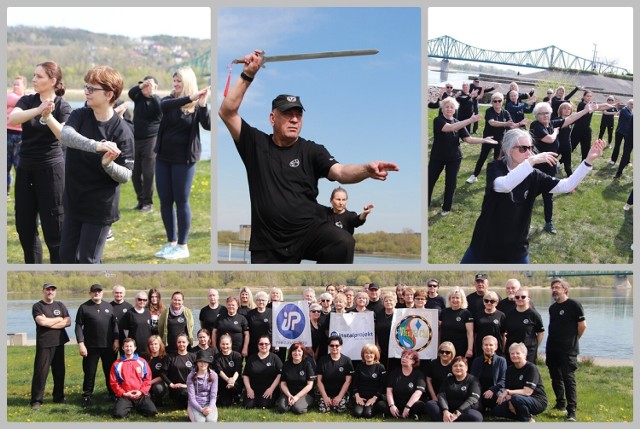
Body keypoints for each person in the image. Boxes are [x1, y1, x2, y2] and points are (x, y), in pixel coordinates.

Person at [218, 49, 399, 264]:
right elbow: (227, 112)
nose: (294, 119)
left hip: (308, 232)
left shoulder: (312, 150)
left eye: (298, 114)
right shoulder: (255, 144)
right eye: (287, 114)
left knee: (343, 242)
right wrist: (248, 75)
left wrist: (366, 170)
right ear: (272, 118)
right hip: (268, 243)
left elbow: (340, 172)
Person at [461, 128, 607, 263]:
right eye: (523, 148)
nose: (529, 152)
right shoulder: (496, 167)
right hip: (485, 243)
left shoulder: (534, 175)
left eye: (530, 148)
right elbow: (503, 186)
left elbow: (567, 185)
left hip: (516, 247)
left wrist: (588, 161)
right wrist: (531, 161)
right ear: (507, 150)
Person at [57, 66, 134, 263]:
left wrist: (108, 165)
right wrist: (97, 146)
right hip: (74, 201)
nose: (86, 92)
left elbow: (125, 174)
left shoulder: (122, 131)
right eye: (86, 87)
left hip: (100, 207)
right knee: (65, 257)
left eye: (92, 89)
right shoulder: (80, 115)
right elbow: (66, 136)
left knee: (88, 259)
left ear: (109, 94)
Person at [8, 61, 71, 263]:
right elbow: (13, 119)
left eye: (39, 76)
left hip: (51, 170)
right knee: (25, 227)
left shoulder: (64, 106)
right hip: (26, 168)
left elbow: (63, 136)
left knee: (54, 230)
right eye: (33, 75)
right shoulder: (27, 100)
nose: (34, 80)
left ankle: (58, 268)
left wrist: (48, 115)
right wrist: (38, 110)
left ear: (53, 81)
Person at [153, 66, 211, 260]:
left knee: (181, 200)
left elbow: (208, 125)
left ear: (187, 83)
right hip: (163, 158)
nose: (176, 84)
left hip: (184, 161)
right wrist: (191, 98)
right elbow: (165, 107)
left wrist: (202, 104)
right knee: (165, 201)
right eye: (174, 81)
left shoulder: (195, 107)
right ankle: (171, 243)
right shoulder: (168, 101)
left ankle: (182, 246)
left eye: (179, 81)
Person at [530, 101, 598, 235]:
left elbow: (569, 119)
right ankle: (514, 214)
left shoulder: (551, 123)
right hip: (537, 169)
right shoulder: (535, 125)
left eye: (547, 113)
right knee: (530, 195)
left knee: (548, 196)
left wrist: (585, 111)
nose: (545, 116)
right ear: (536, 115)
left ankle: (548, 223)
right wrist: (555, 132)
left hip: (550, 167)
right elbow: (549, 139)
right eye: (542, 113)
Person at [428, 96, 498, 215]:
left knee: (451, 183)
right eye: (446, 107)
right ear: (442, 109)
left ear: (455, 109)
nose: (449, 109)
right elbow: (450, 128)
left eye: (451, 107)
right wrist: (470, 120)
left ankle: (446, 208)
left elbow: (468, 139)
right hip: (437, 157)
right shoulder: (438, 120)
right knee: (429, 181)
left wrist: (484, 140)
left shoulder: (457, 122)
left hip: (454, 158)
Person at [545, 278, 587, 422]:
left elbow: (582, 326)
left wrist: (574, 340)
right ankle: (560, 404)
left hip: (568, 350)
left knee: (568, 379)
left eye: (557, 287)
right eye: (553, 287)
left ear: (565, 289)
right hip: (552, 348)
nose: (554, 290)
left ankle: (571, 411)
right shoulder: (553, 308)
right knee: (555, 377)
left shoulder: (574, 305)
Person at [74, 284, 119, 407]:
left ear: (102, 293)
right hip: (91, 347)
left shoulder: (108, 306)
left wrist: (116, 340)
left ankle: (112, 393)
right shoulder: (84, 307)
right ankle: (87, 396)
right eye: (94, 292)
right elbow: (78, 326)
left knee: (110, 371)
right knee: (90, 372)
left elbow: (114, 325)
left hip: (108, 346)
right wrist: (81, 343)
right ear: (90, 293)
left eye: (99, 291)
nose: (96, 294)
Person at [30, 283, 71, 410]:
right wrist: (59, 319)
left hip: (59, 342)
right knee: (41, 373)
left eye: (53, 290)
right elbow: (41, 322)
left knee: (59, 372)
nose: (50, 292)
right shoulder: (38, 306)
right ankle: (36, 400)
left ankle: (58, 397)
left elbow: (68, 322)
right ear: (43, 291)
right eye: (48, 289)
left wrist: (49, 322)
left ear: (55, 292)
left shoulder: (60, 305)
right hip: (44, 344)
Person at [128, 75, 162, 212]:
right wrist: (142, 86)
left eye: (150, 85)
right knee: (135, 172)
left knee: (148, 172)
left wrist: (152, 94)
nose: (146, 87)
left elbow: (160, 110)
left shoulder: (157, 101)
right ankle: (140, 200)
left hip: (151, 140)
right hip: (135, 139)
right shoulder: (138, 98)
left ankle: (148, 203)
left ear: (155, 88)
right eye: (144, 85)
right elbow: (131, 92)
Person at [467, 92, 514, 184]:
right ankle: (474, 175)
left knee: (497, 159)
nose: (497, 103)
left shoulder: (505, 112)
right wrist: (505, 123)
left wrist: (520, 124)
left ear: (502, 102)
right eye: (495, 101)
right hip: (488, 138)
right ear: (492, 102)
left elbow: (511, 125)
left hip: (500, 139)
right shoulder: (489, 111)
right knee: (482, 157)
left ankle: (496, 178)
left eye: (499, 101)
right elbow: (492, 122)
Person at [493, 343, 548, 422]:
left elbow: (527, 392)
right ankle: (522, 415)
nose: (514, 355)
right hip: (516, 399)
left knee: (516, 398)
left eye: (518, 353)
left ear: (524, 354)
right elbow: (508, 390)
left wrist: (509, 392)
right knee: (497, 410)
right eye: (512, 353)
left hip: (537, 400)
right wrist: (510, 404)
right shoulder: (509, 370)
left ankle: (528, 420)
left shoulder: (531, 368)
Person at [109, 338, 157, 418]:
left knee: (152, 412)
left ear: (135, 348)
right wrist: (123, 393)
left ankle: (138, 405)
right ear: (123, 348)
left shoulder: (142, 362)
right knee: (118, 414)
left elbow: (147, 379)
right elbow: (114, 382)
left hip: (140, 395)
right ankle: (126, 405)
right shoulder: (117, 364)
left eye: (131, 346)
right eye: (126, 346)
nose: (129, 348)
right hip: (126, 395)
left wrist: (142, 391)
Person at [424, 356, 483, 422]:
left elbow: (472, 399)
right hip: (449, 408)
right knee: (430, 404)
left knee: (476, 417)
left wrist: (457, 413)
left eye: (461, 366)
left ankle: (447, 420)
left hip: (464, 410)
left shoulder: (473, 380)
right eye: (455, 366)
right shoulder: (448, 379)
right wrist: (445, 410)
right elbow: (441, 395)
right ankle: (448, 418)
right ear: (452, 368)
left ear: (466, 368)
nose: (458, 368)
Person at [503, 287, 544, 364]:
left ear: (528, 299)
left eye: (523, 297)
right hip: (512, 351)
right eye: (517, 297)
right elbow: (504, 333)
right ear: (514, 299)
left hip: (528, 351)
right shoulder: (509, 315)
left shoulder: (534, 315)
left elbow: (540, 333)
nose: (520, 299)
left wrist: (534, 347)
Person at [242, 335, 283, 409]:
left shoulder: (275, 358)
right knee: (248, 406)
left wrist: (271, 389)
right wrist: (248, 389)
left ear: (270, 345)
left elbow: (280, 374)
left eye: (266, 344)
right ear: (258, 345)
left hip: (268, 390)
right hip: (253, 390)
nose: (264, 345)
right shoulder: (252, 358)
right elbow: (245, 375)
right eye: (261, 344)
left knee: (264, 405)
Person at [315, 335, 354, 413]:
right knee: (323, 410)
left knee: (340, 409)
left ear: (341, 346)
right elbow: (319, 381)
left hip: (341, 393)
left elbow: (348, 381)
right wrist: (325, 397)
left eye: (337, 345)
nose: (334, 347)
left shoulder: (347, 361)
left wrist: (339, 397)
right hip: (326, 392)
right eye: (332, 345)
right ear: (329, 346)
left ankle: (341, 401)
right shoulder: (323, 360)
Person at [385, 349, 426, 420]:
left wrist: (408, 407)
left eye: (407, 357)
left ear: (413, 361)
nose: (403, 358)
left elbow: (418, 392)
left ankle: (405, 413)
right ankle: (396, 412)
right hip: (397, 402)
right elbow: (389, 391)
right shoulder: (394, 372)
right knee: (381, 405)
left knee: (420, 405)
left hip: (411, 403)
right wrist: (392, 405)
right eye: (403, 357)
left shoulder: (419, 374)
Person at [571, 90, 611, 161]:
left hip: (586, 130)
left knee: (586, 150)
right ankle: (560, 162)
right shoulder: (582, 105)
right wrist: (606, 105)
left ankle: (583, 166)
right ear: (583, 97)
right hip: (578, 129)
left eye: (590, 96)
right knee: (571, 147)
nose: (589, 98)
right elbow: (597, 107)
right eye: (587, 96)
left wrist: (612, 106)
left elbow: (600, 107)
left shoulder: (590, 104)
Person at [277, 342, 316, 414]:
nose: (296, 353)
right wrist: (289, 395)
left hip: (304, 394)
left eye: (299, 351)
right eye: (294, 350)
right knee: (282, 408)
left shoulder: (307, 364)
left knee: (297, 409)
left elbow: (310, 385)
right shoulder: (286, 364)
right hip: (289, 393)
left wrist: (297, 397)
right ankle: (291, 402)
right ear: (291, 352)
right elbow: (283, 383)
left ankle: (301, 404)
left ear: (303, 353)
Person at [470, 335, 507, 412]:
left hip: (495, 391)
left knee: (497, 411)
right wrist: (477, 392)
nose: (488, 347)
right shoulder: (476, 361)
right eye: (486, 345)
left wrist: (492, 390)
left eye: (491, 345)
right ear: (482, 346)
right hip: (479, 391)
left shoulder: (501, 361)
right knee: (476, 409)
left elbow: (503, 380)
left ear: (496, 347)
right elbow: (472, 378)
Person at [351, 344, 387, 419]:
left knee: (367, 414)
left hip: (374, 398)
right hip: (361, 397)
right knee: (357, 413)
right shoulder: (359, 366)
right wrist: (358, 397)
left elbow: (382, 386)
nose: (368, 355)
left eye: (371, 353)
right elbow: (354, 384)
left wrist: (374, 398)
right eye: (366, 353)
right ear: (363, 355)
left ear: (375, 355)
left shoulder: (380, 367)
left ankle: (375, 408)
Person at [161, 333, 197, 408]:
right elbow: (162, 373)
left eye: (183, 342)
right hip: (177, 388)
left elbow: (199, 372)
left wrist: (187, 385)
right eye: (179, 342)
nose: (181, 344)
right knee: (184, 393)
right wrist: (171, 384)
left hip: (191, 386)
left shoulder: (193, 356)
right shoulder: (170, 357)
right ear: (176, 343)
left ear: (187, 343)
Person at [7, 75, 27, 200]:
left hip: (21, 136)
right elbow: (15, 100)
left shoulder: (27, 98)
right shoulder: (9, 96)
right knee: (5, 165)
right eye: (13, 84)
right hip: (7, 133)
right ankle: (6, 192)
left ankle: (22, 193)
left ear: (24, 86)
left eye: (17, 84)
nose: (15, 86)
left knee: (19, 166)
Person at [439, 287, 474, 359]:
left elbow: (470, 333)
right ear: (449, 299)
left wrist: (470, 349)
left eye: (457, 298)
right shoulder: (444, 312)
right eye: (453, 298)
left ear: (462, 299)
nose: (455, 300)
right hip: (445, 349)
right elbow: (439, 330)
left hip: (461, 348)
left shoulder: (466, 313)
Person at [186, 350, 218, 422]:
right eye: (200, 361)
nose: (202, 364)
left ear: (208, 363)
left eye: (205, 361)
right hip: (195, 404)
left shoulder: (214, 375)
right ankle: (190, 411)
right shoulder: (190, 376)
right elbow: (191, 398)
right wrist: (201, 409)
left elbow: (213, 395)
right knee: (200, 422)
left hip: (208, 403)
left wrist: (210, 407)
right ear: (197, 363)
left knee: (211, 421)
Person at [212, 333, 243, 407]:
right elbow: (219, 370)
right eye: (223, 344)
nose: (225, 346)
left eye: (227, 344)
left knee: (235, 386)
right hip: (223, 382)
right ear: (219, 344)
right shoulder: (217, 356)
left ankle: (237, 395)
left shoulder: (237, 355)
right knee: (224, 404)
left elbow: (238, 370)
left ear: (231, 344)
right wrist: (227, 380)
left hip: (235, 381)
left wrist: (232, 381)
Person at [473, 291, 506, 357]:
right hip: (481, 349)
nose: (489, 303)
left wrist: (503, 350)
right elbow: (475, 334)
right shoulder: (478, 315)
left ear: (496, 303)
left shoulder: (501, 315)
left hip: (496, 349)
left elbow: (504, 335)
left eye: (492, 301)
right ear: (483, 302)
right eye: (486, 301)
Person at [374, 291, 396, 371]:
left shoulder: (399, 314)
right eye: (386, 301)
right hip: (382, 346)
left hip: (396, 346)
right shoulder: (379, 314)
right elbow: (376, 331)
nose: (388, 302)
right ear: (383, 303)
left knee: (393, 368)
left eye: (391, 300)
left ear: (395, 302)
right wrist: (377, 344)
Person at [246, 291, 272, 356]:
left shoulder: (272, 312)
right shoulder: (250, 314)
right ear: (255, 301)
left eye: (263, 300)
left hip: (268, 345)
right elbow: (247, 331)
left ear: (267, 301)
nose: (261, 302)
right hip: (253, 345)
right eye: (259, 300)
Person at [144, 335, 168, 407]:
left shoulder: (165, 357)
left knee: (158, 389)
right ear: (149, 346)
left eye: (155, 344)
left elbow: (164, 375)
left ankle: (158, 400)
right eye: (151, 344)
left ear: (160, 345)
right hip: (145, 382)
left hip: (157, 382)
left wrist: (150, 382)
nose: (153, 346)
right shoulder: (144, 356)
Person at [612, 102, 634, 179]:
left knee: (625, 155)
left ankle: (619, 173)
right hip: (630, 137)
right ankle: (619, 173)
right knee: (625, 155)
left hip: (630, 137)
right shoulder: (630, 113)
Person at [110, 284, 134, 355]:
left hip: (125, 338)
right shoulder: (109, 306)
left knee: (126, 360)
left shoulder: (129, 307)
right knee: (110, 362)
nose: (118, 294)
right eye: (116, 292)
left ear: (124, 294)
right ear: (113, 293)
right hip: (112, 338)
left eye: (121, 293)